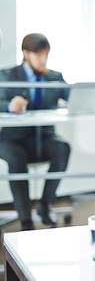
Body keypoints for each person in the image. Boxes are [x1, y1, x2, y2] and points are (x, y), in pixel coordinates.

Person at [0, 33, 70, 231]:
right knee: (16, 158)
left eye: (45, 55)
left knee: (62, 148)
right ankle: (25, 220)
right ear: (25, 53)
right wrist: (8, 106)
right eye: (38, 55)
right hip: (12, 140)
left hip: (43, 138)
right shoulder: (6, 76)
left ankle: (45, 204)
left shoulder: (54, 77)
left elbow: (73, 98)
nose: (43, 60)